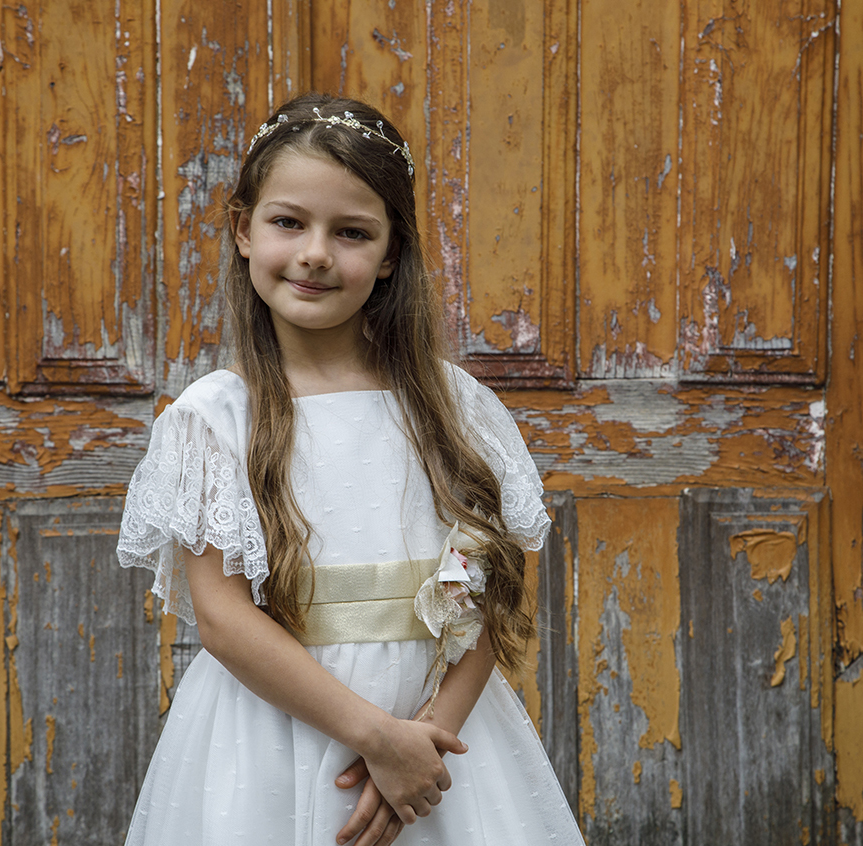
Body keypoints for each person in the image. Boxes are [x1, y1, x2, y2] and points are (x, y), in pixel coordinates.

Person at [117, 93, 585, 846]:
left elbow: (496, 582)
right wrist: (375, 737)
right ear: (243, 229)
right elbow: (223, 620)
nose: (315, 253)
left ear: (392, 252)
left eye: (353, 232)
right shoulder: (213, 419)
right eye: (288, 222)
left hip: (440, 742)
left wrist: (422, 743)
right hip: (271, 736)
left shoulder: (452, 405)